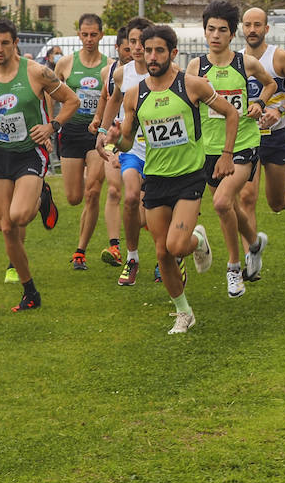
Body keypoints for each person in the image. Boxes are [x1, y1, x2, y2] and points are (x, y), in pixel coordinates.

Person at [98, 25, 229, 334]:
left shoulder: (192, 85)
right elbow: (130, 141)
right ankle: (184, 312)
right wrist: (116, 139)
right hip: (155, 177)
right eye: (147, 50)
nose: (152, 56)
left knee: (177, 245)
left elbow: (230, 113)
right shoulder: (135, 94)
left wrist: (225, 154)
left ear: (173, 53)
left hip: (189, 176)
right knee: (162, 252)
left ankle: (197, 240)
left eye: (159, 51)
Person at [0, 19, 79, 311]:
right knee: (5, 227)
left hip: (30, 152)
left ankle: (41, 195)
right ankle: (30, 292)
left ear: (16, 44)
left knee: (19, 216)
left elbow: (72, 101)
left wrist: (51, 127)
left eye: (4, 42)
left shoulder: (37, 72)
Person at [185, 0, 278, 298]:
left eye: (222, 30)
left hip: (243, 143)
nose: (215, 35)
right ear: (204, 32)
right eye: (210, 29)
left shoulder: (245, 63)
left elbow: (270, 85)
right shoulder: (196, 67)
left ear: (232, 33)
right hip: (209, 148)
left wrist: (259, 103)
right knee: (231, 207)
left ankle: (233, 268)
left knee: (223, 203)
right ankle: (254, 244)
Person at [238, 7, 285, 267]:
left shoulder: (279, 57)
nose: (252, 30)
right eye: (248, 25)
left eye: (258, 25)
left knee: (275, 202)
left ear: (266, 28)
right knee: (246, 197)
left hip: (275, 137)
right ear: (242, 29)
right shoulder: (237, 61)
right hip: (247, 138)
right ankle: (251, 258)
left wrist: (279, 110)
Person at [98, 17, 154, 287]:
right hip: (132, 148)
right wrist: (102, 133)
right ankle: (132, 258)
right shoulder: (122, 73)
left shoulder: (168, 72)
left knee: (153, 211)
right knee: (130, 197)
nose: (137, 47)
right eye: (132, 41)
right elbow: (113, 101)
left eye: (142, 41)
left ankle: (169, 257)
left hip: (163, 152)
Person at [52, 13, 110, 270]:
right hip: (71, 133)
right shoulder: (65, 64)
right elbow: (49, 92)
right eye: (85, 34)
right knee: (74, 197)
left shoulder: (109, 67)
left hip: (96, 133)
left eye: (93, 34)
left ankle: (80, 251)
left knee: (94, 191)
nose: (89, 39)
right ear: (79, 35)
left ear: (101, 34)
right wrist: (52, 121)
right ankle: (85, 178)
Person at [93, 24, 132, 267]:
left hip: (139, 138)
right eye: (127, 48)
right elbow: (107, 98)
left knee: (140, 200)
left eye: (137, 46)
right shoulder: (110, 72)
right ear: (117, 48)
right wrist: (101, 126)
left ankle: (166, 251)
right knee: (114, 191)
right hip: (113, 137)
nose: (133, 52)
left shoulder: (148, 72)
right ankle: (115, 246)